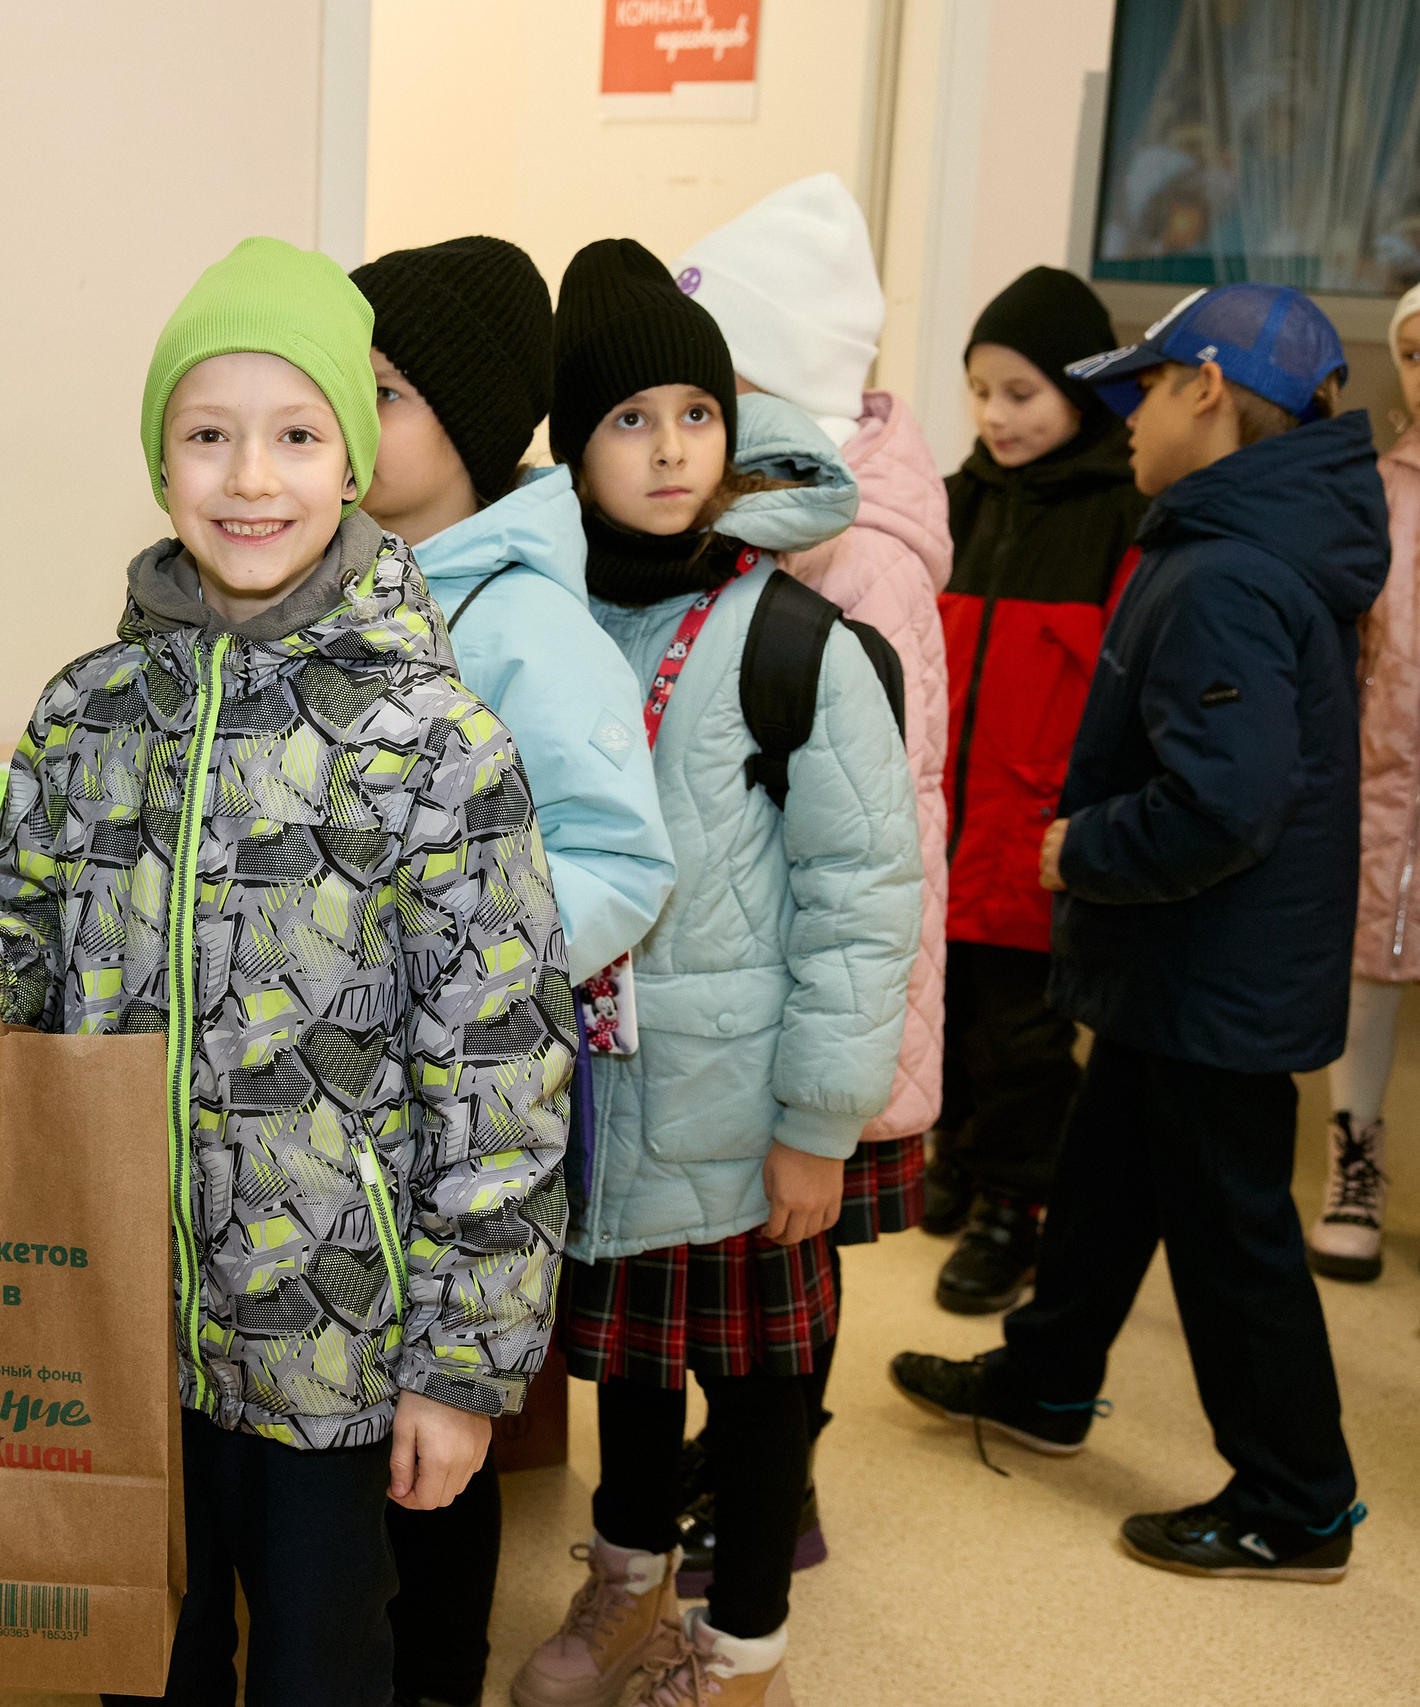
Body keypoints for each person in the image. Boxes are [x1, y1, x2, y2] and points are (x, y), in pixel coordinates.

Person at [0, 236, 574, 1707]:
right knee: (141, 1663)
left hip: (335, 1351)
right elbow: (20, 967)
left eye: (294, 434)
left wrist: (461, 1368)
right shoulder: (86, 714)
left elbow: (502, 1074)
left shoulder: (435, 744)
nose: (250, 476)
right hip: (117, 1333)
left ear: (352, 461)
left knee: (324, 1670)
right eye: (209, 435)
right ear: (162, 465)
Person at [892, 282, 1381, 1582]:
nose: (1127, 418)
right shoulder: (1231, 537)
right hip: (1185, 960)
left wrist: (1079, 847)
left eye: (1147, 389)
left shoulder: (1229, 568)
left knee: (1231, 1230)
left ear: (1209, 391)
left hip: (1216, 962)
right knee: (1108, 1166)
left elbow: (1225, 797)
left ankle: (1298, 1495)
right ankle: (1050, 1378)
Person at [511, 240, 918, 1707]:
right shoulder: (544, 627)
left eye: (696, 410)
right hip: (605, 1098)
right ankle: (625, 1580)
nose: (671, 446)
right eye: (629, 418)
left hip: (747, 1110)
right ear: (575, 446)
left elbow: (866, 898)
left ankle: (742, 1647)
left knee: (756, 1398)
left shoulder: (796, 638)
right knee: (627, 1367)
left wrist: (820, 1117)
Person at [349, 234, 675, 1707]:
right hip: (347, 1096)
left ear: (471, 425)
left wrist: (458, 951)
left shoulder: (526, 620)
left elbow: (623, 864)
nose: (351, 423)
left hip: (467, 1103)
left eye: (387, 391)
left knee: (438, 1432)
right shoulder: (348, 583)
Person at [668, 170, 952, 1586]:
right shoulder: (762, 523)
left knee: (787, 1261)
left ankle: (778, 1484)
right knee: (740, 1259)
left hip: (824, 998)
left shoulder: (865, 567)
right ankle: (741, 1471)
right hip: (741, 971)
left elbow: (864, 844)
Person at [925, 267, 1149, 1313]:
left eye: (1020, 393)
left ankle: (1022, 1200)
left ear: (1081, 389)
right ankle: (963, 1156)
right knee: (946, 1006)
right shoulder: (959, 501)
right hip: (951, 816)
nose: (993, 416)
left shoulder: (1120, 512)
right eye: (979, 390)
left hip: (1036, 823)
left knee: (1020, 1031)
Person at [1310, 267, 1420, 1328]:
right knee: (1360, 973)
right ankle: (1352, 1167)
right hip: (1378, 781)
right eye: (1413, 354)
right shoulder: (1375, 485)